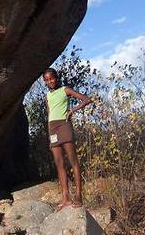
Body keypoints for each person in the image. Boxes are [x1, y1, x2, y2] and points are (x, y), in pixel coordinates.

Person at [43, 67, 92, 210]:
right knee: (59, 164)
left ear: (56, 78)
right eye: (47, 80)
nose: (50, 81)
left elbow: (86, 100)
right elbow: (49, 115)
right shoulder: (47, 96)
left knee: (73, 161)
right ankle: (65, 197)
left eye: (51, 78)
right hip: (53, 128)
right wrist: (49, 135)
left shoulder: (65, 90)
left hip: (64, 126)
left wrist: (72, 111)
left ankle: (78, 195)